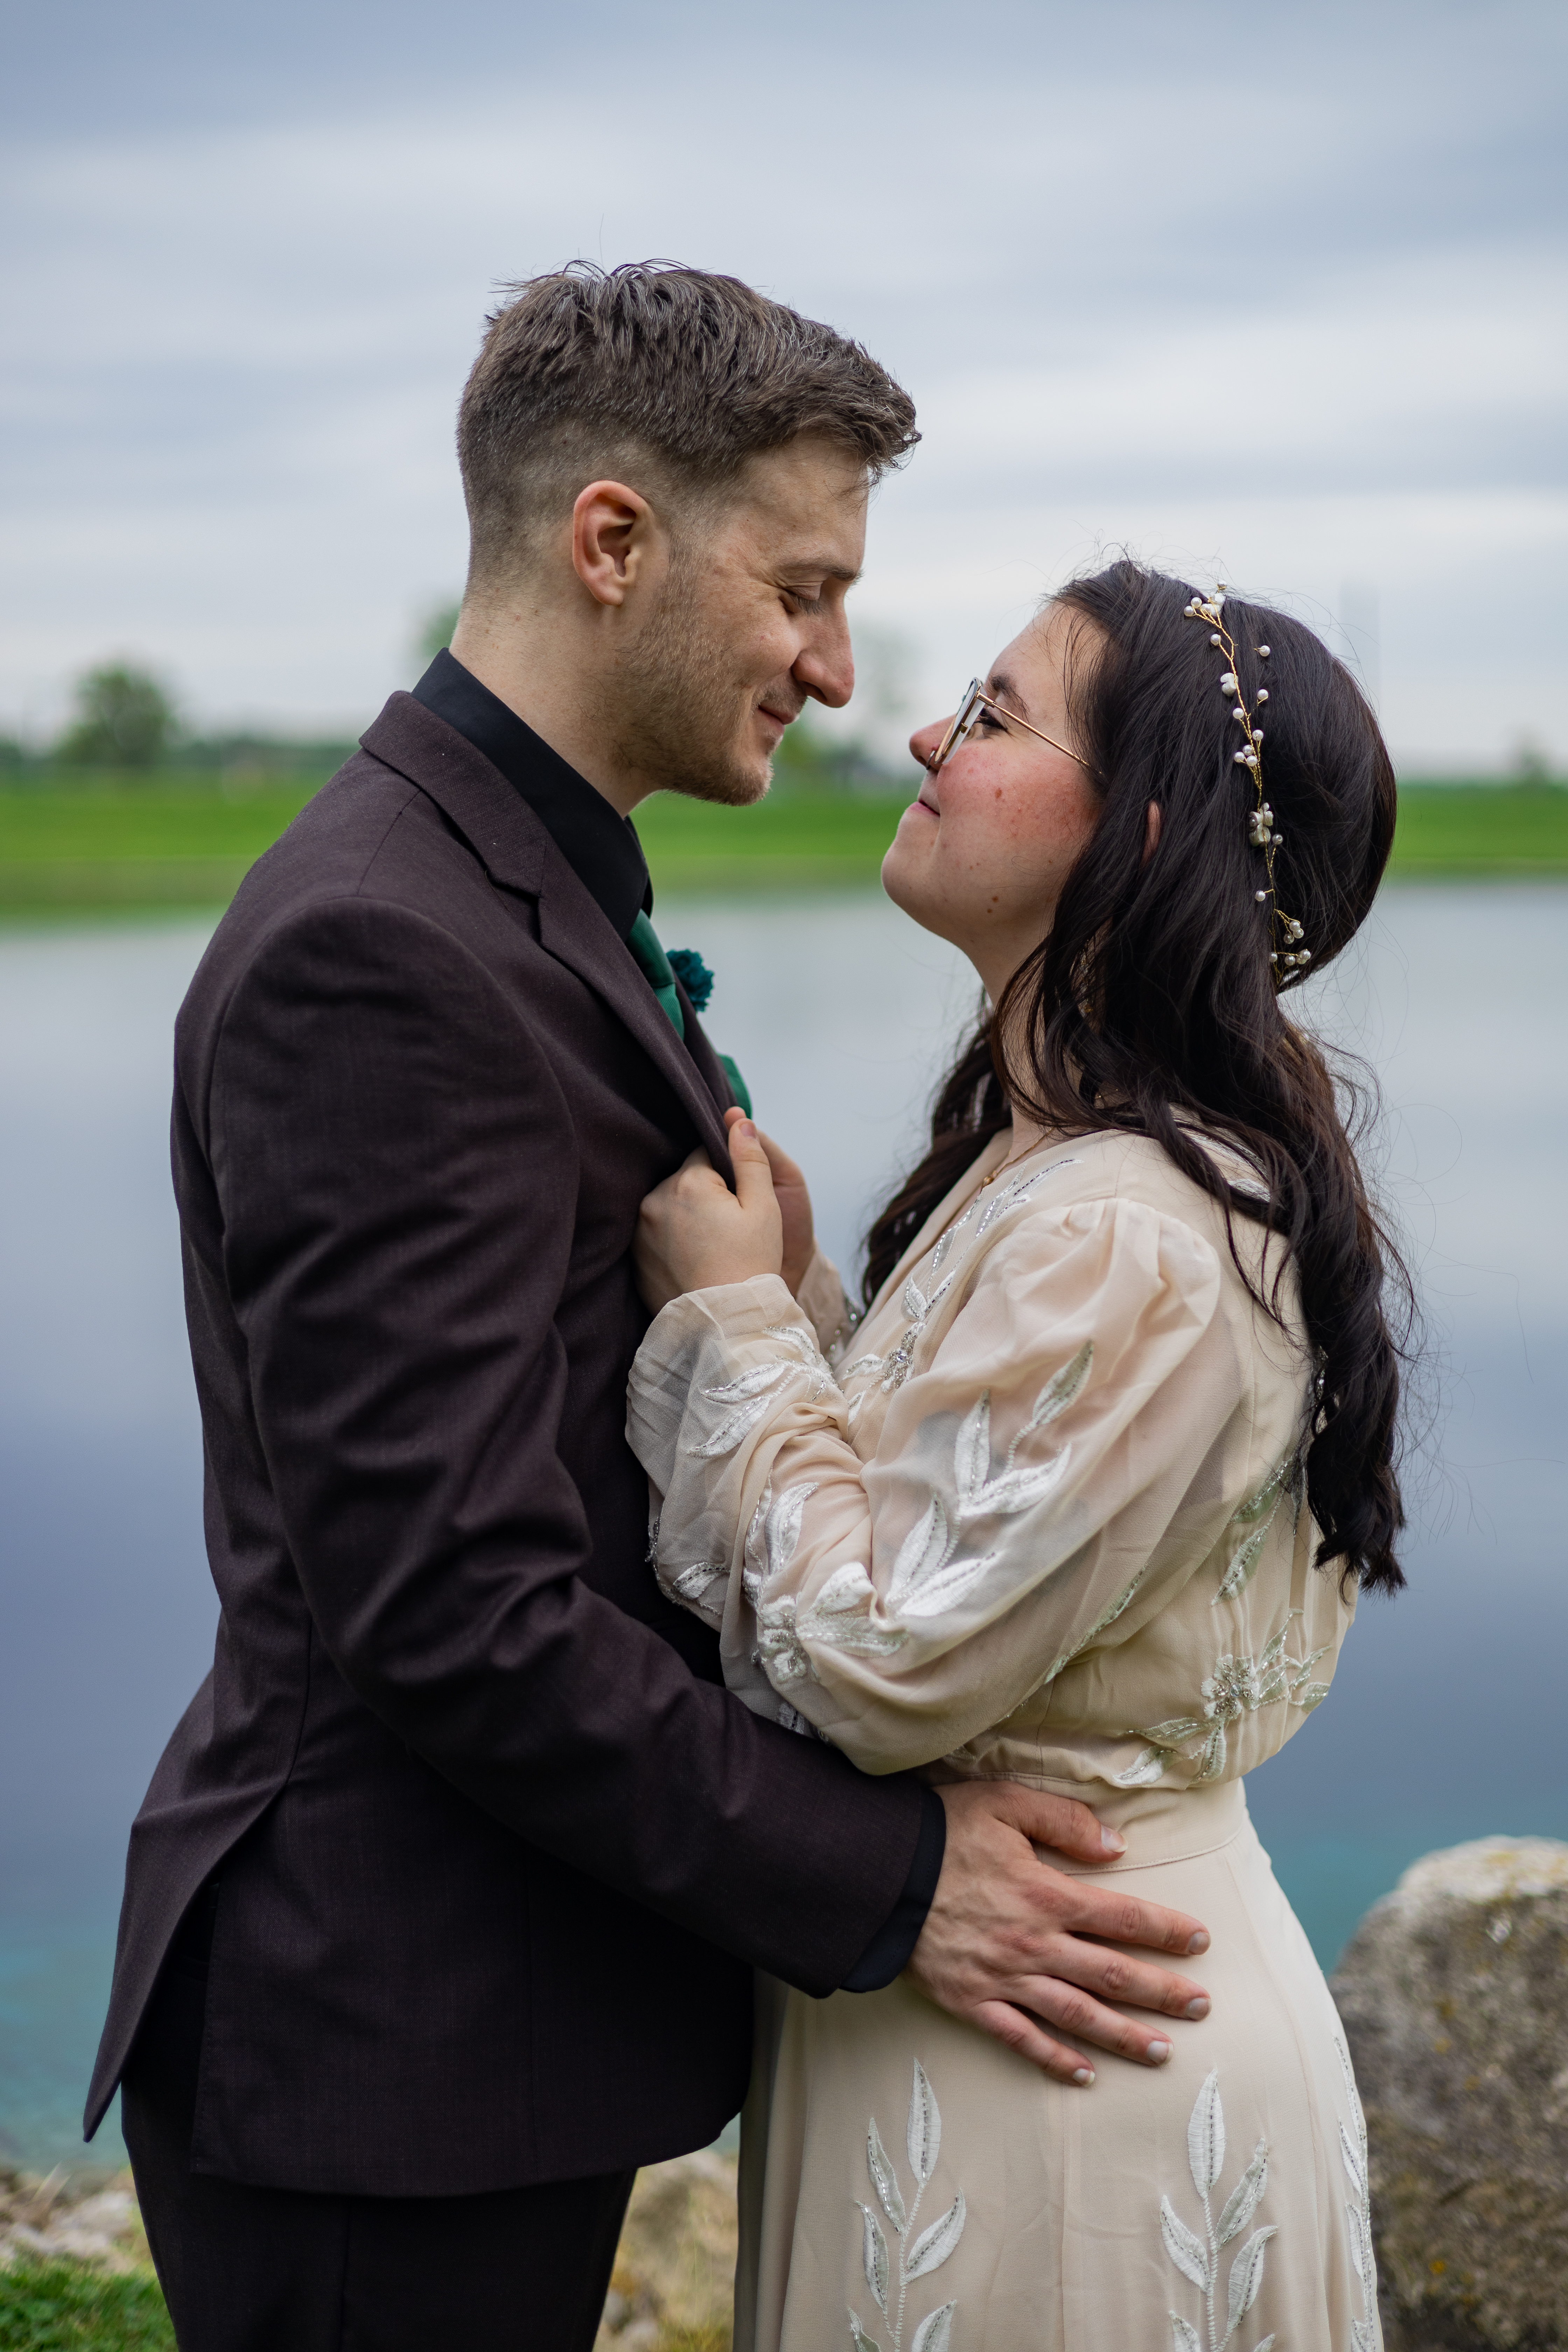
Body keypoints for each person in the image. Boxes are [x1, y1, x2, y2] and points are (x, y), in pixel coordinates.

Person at [85, 270, 1214, 2352]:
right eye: (803, 585)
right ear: (613, 543)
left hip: (477, 2021)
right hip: (381, 2048)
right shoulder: (385, 950)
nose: (837, 661)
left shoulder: (512, 880)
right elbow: (449, 1609)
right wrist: (892, 1881)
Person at [631, 559, 1407, 2351]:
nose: (917, 732)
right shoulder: (1069, 1167)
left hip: (1066, 2055)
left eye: (990, 716)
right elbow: (990, 1549)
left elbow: (880, 1658)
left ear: (1136, 832)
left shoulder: (1124, 1225)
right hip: (1021, 2003)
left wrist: (738, 1333)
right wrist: (810, 1297)